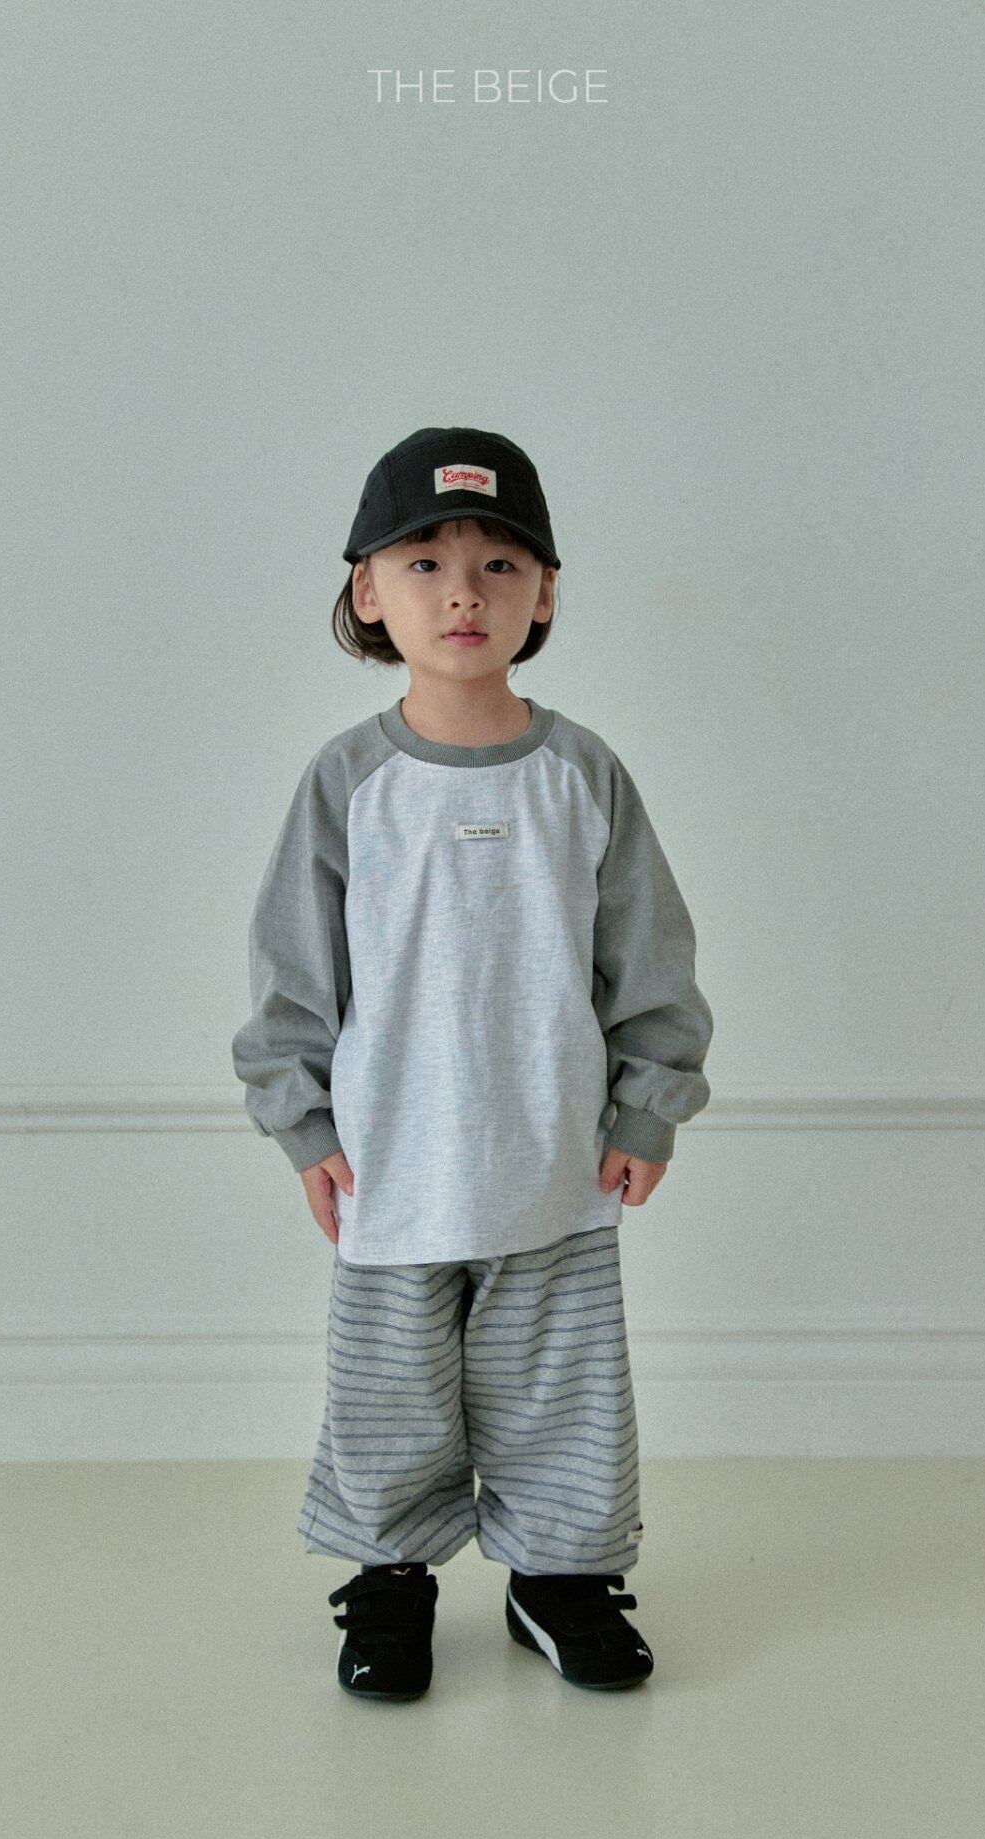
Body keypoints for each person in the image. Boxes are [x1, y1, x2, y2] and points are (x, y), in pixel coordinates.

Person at [231, 426, 714, 1698]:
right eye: (425, 563)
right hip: (390, 1164)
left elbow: (648, 956)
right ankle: (389, 1581)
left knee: (561, 1389)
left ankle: (559, 1582)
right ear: (365, 591)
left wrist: (649, 1106)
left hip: (555, 1160)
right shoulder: (347, 781)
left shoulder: (581, 774)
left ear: (543, 594)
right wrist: (301, 1123)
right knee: (388, 1395)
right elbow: (293, 969)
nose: (463, 593)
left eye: (500, 564)